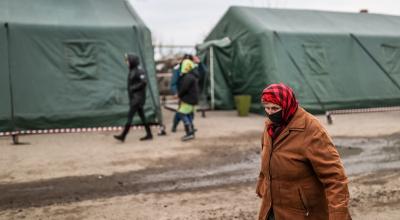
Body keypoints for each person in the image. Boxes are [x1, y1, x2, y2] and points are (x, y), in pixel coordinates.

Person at [256, 83, 351, 220]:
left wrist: (338, 215)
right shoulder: (271, 126)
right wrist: (262, 184)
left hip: (304, 213)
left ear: (288, 104)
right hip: (272, 208)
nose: (270, 113)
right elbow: (268, 155)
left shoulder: (311, 130)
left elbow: (335, 178)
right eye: (267, 108)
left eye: (275, 108)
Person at [114, 53, 153, 142]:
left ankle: (123, 136)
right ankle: (149, 134)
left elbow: (144, 82)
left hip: (137, 99)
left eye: (128, 60)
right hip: (135, 98)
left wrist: (133, 88)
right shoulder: (132, 70)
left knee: (130, 117)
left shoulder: (139, 70)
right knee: (143, 117)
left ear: (132, 61)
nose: (127, 62)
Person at [177, 58, 199, 141]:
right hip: (192, 99)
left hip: (188, 99)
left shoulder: (188, 77)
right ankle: (191, 130)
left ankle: (189, 132)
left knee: (182, 113)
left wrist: (179, 95)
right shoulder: (192, 75)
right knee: (188, 114)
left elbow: (184, 88)